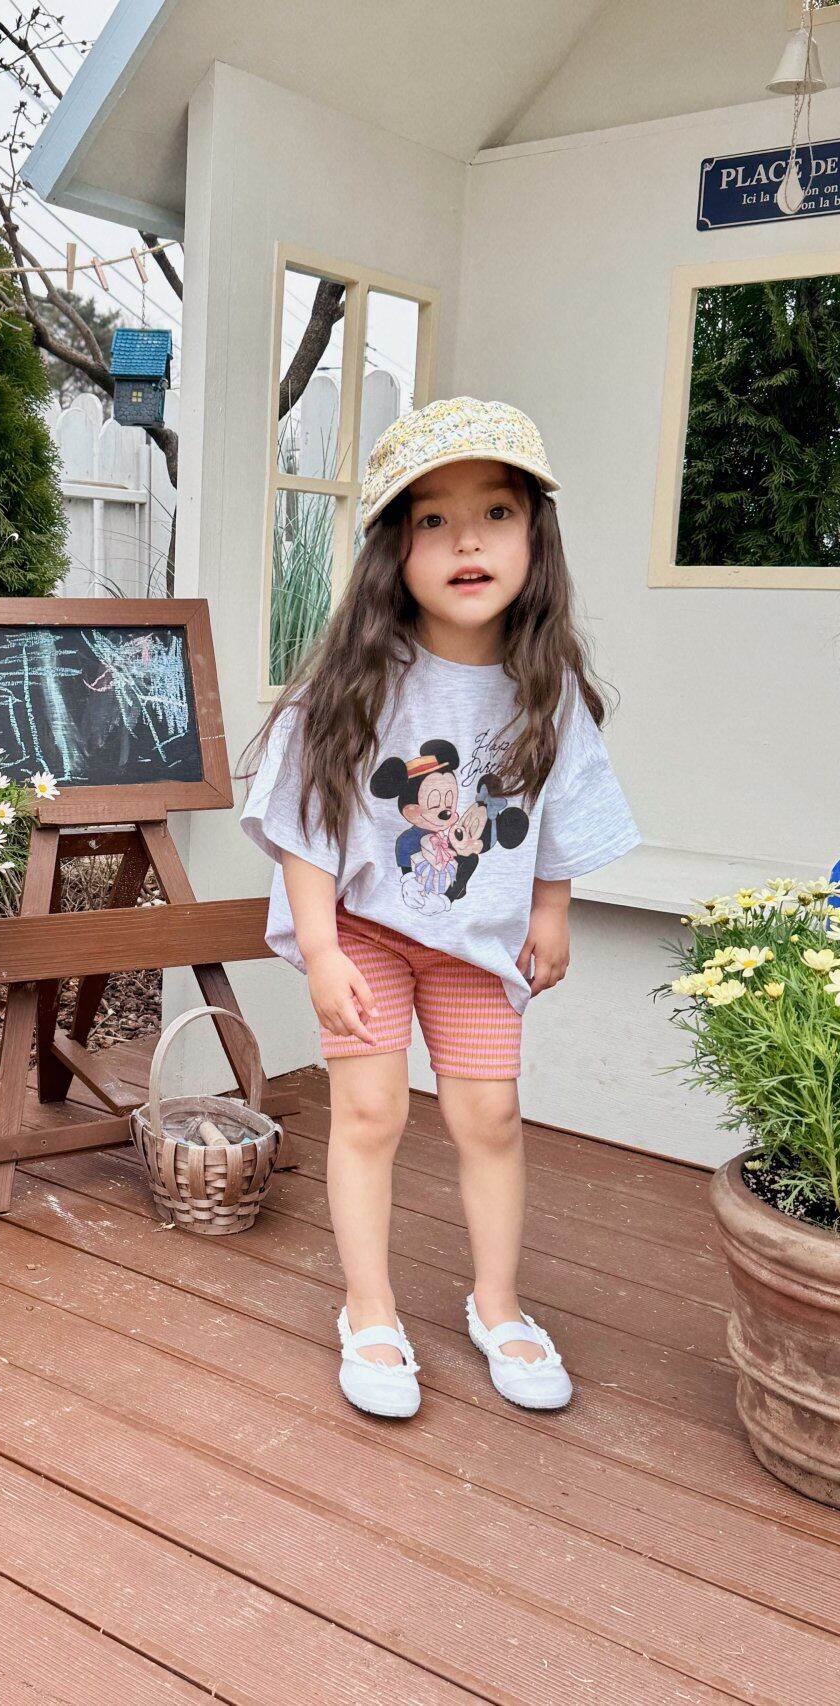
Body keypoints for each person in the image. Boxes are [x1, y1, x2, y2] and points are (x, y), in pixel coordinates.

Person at [241, 395, 641, 1419]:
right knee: (369, 1112)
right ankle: (368, 1307)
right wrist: (321, 948)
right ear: (395, 549)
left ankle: (496, 1304)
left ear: (534, 537)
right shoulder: (357, 682)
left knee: (488, 1115)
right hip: (366, 932)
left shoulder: (545, 687)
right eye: (433, 518)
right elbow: (304, 823)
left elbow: (561, 811)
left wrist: (550, 911)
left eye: (496, 512)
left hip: (474, 941)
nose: (467, 539)